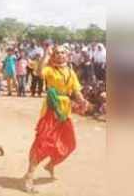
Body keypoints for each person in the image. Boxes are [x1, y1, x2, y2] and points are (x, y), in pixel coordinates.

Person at [23, 45, 88, 193]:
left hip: (64, 111)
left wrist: (82, 101)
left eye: (63, 53)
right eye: (57, 53)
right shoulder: (49, 69)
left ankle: (51, 164)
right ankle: (29, 176)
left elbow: (76, 91)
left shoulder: (71, 72)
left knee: (69, 143)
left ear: (67, 56)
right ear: (53, 56)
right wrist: (45, 52)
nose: (60, 55)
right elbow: (39, 73)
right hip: (51, 110)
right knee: (42, 142)